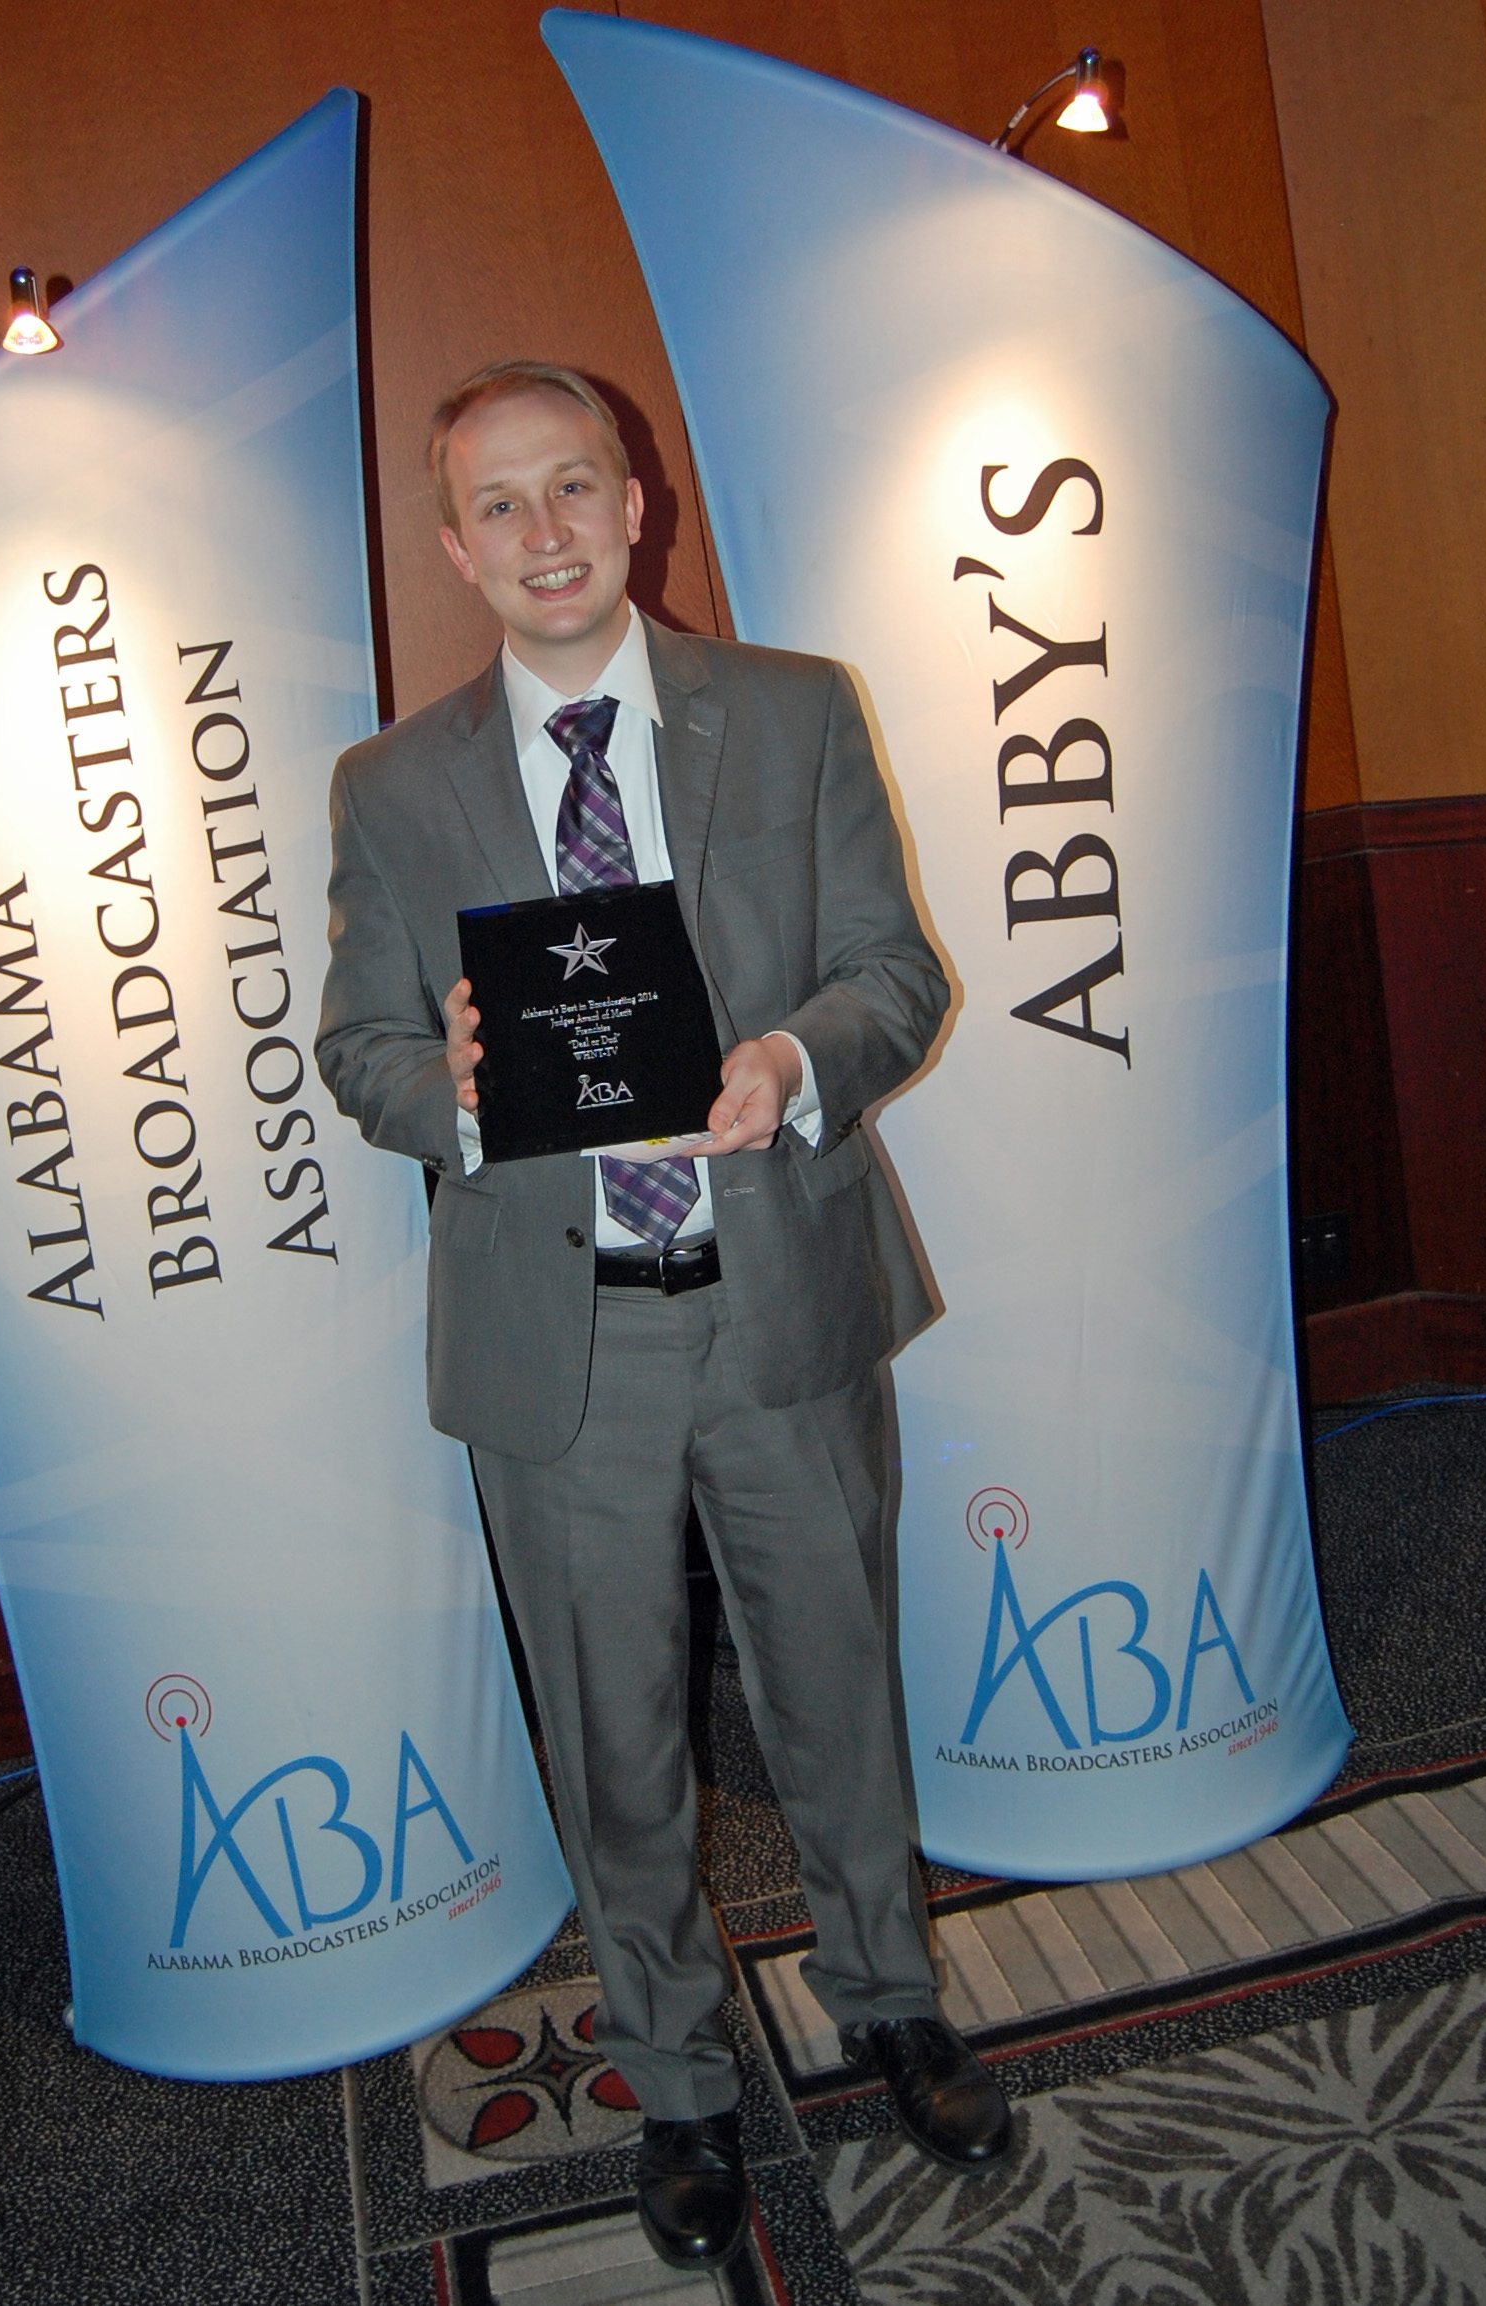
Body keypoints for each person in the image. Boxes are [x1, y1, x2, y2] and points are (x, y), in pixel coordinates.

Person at [316, 360, 1011, 2268]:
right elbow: (357, 1051)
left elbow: (893, 971)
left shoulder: (789, 711)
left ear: (639, 504)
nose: (545, 531)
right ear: (455, 546)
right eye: (502, 504)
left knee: (834, 1688)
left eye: (576, 487)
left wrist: (791, 1059)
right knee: (612, 1735)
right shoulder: (392, 786)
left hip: (779, 1296)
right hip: (565, 1346)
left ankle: (889, 2002)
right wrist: (461, 1090)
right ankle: (679, 2076)